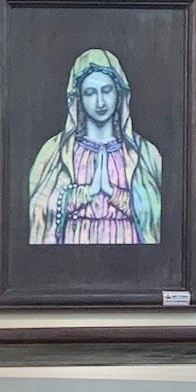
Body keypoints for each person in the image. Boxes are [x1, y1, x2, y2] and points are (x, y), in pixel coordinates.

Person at [26, 47, 162, 245]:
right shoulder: (55, 151)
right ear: (78, 99)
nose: (100, 102)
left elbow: (158, 214)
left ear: (119, 93)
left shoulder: (145, 153)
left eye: (106, 91)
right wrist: (85, 193)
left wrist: (112, 193)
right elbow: (37, 210)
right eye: (90, 93)